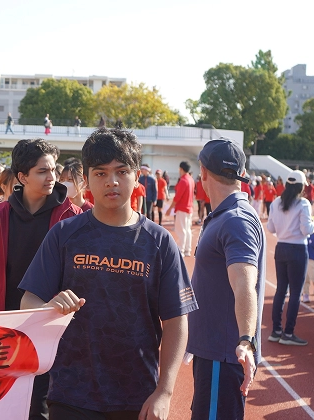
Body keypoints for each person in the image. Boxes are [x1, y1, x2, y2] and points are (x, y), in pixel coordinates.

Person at [19, 128, 197, 419]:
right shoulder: (64, 235)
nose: (111, 182)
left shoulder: (160, 242)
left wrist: (164, 391)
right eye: (100, 173)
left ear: (136, 176)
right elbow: (28, 301)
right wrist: (49, 308)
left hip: (137, 397)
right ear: (86, 178)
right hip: (71, 393)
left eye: (121, 171)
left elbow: (177, 319)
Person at [0, 138, 81, 419]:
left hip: (52, 326)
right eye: (43, 171)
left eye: (54, 169)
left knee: (42, 405)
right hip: (7, 324)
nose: (52, 177)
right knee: (2, 401)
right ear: (22, 176)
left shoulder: (73, 217)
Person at [187, 138, 265, 419]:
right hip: (214, 351)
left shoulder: (235, 219)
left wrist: (246, 340)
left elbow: (245, 283)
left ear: (203, 172)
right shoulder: (228, 215)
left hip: (222, 353)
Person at [266, 170, 314, 346]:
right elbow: (306, 230)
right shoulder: (303, 204)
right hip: (297, 249)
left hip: (281, 247)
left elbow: (270, 228)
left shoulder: (276, 202)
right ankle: (288, 333)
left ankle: (276, 330)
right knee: (295, 293)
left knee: (280, 290)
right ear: (301, 187)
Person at [166, 161, 195, 257]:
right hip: (189, 208)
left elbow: (177, 197)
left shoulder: (183, 181)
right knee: (187, 229)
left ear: (181, 169)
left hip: (182, 208)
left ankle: (181, 250)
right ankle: (187, 249)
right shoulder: (190, 179)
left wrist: (170, 208)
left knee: (181, 229)